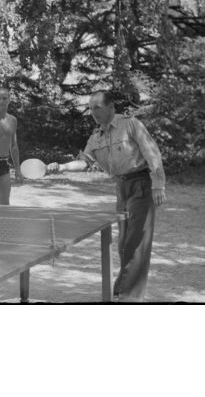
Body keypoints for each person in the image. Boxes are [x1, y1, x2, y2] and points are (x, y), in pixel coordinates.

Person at [48, 90, 167, 302]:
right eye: (90, 108)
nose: (93, 112)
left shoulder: (131, 124)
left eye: (97, 108)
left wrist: (158, 185)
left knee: (136, 242)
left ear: (111, 107)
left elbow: (152, 153)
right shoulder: (96, 137)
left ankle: (127, 297)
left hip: (141, 184)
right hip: (121, 188)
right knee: (123, 244)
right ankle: (124, 292)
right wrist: (61, 167)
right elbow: (84, 162)